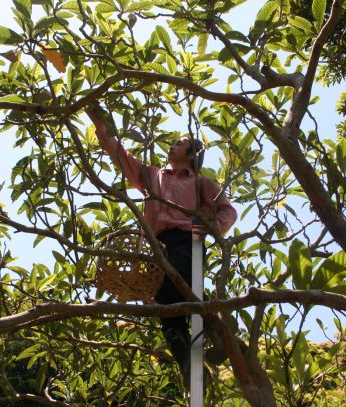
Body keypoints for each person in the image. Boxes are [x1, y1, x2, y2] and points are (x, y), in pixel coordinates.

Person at [86, 105, 238, 381]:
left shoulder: (201, 183)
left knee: (186, 284)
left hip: (187, 240)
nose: (172, 146)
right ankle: (193, 366)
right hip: (159, 246)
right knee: (168, 308)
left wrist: (210, 229)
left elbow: (228, 211)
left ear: (192, 155)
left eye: (180, 144)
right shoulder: (152, 175)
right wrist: (101, 125)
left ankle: (217, 337)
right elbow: (120, 155)